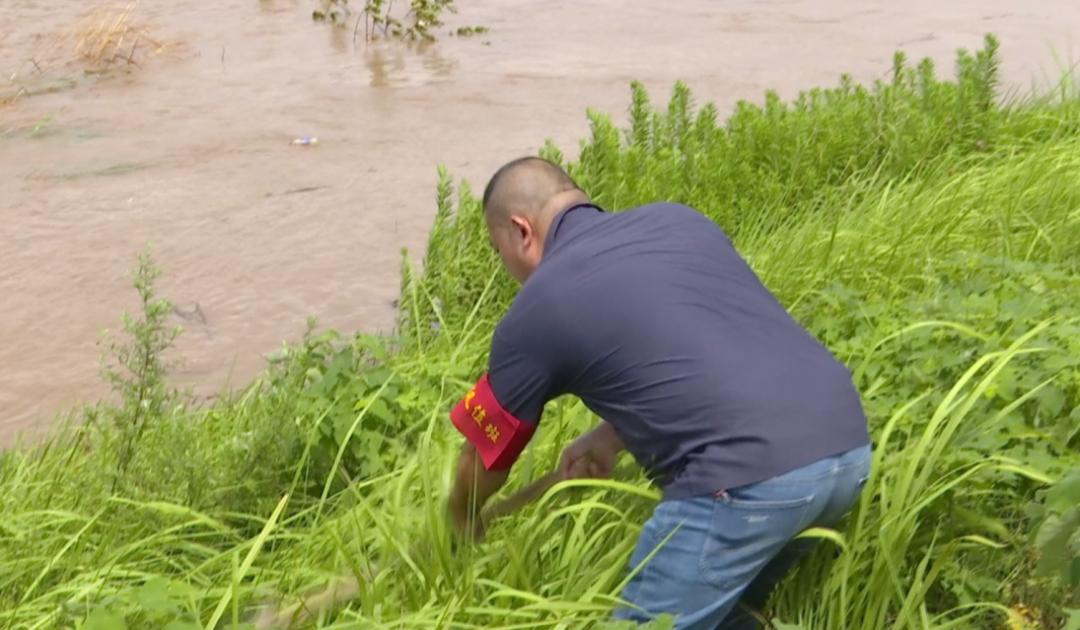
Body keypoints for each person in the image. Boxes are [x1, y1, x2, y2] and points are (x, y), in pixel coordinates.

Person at [444, 156, 872, 630]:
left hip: (747, 482)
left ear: (521, 230)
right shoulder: (678, 220)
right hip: (845, 449)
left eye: (495, 247)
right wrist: (610, 436)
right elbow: (707, 351)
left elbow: (482, 454)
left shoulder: (537, 305)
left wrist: (461, 523)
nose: (503, 264)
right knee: (732, 618)